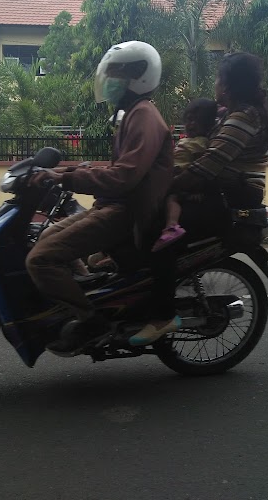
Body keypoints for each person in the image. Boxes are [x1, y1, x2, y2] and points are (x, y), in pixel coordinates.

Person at [25, 41, 174, 356]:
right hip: (113, 205)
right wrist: (72, 170)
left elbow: (123, 177)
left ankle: (91, 320)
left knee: (40, 260)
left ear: (139, 77)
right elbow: (121, 170)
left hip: (127, 213)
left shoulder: (144, 116)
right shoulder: (131, 114)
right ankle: (90, 292)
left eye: (117, 73)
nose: (110, 80)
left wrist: (67, 177)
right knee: (46, 236)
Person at [128, 52, 268, 347]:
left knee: (160, 231)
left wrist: (164, 186)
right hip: (217, 191)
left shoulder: (244, 117)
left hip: (232, 198)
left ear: (229, 86)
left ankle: (162, 315)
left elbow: (208, 165)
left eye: (220, 79)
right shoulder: (228, 113)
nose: (216, 84)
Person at [152, 98, 219, 252]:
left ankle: (172, 226)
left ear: (208, 124)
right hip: (174, 177)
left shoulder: (202, 143)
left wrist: (195, 191)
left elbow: (200, 169)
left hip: (183, 185)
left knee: (171, 199)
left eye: (197, 121)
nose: (192, 124)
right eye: (189, 120)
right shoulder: (188, 141)